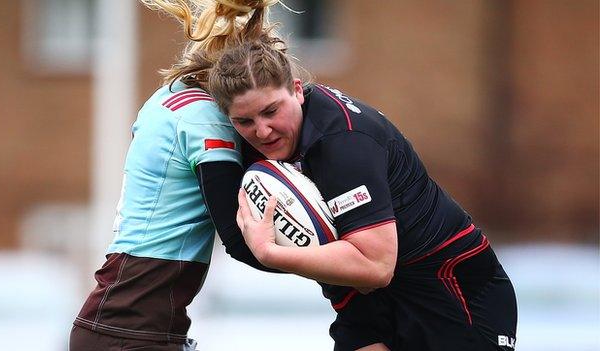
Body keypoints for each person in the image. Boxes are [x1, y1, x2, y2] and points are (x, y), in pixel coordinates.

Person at [205, 38, 519, 350]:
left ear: (297, 91)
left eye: (271, 111)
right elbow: (238, 238)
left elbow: (375, 267)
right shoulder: (260, 145)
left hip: (449, 292)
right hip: (366, 302)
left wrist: (272, 254)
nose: (262, 131)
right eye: (244, 121)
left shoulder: (343, 142)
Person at [69, 1, 285, 350]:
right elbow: (237, 238)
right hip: (131, 329)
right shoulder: (206, 118)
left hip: (122, 324)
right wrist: (339, 264)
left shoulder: (167, 97)